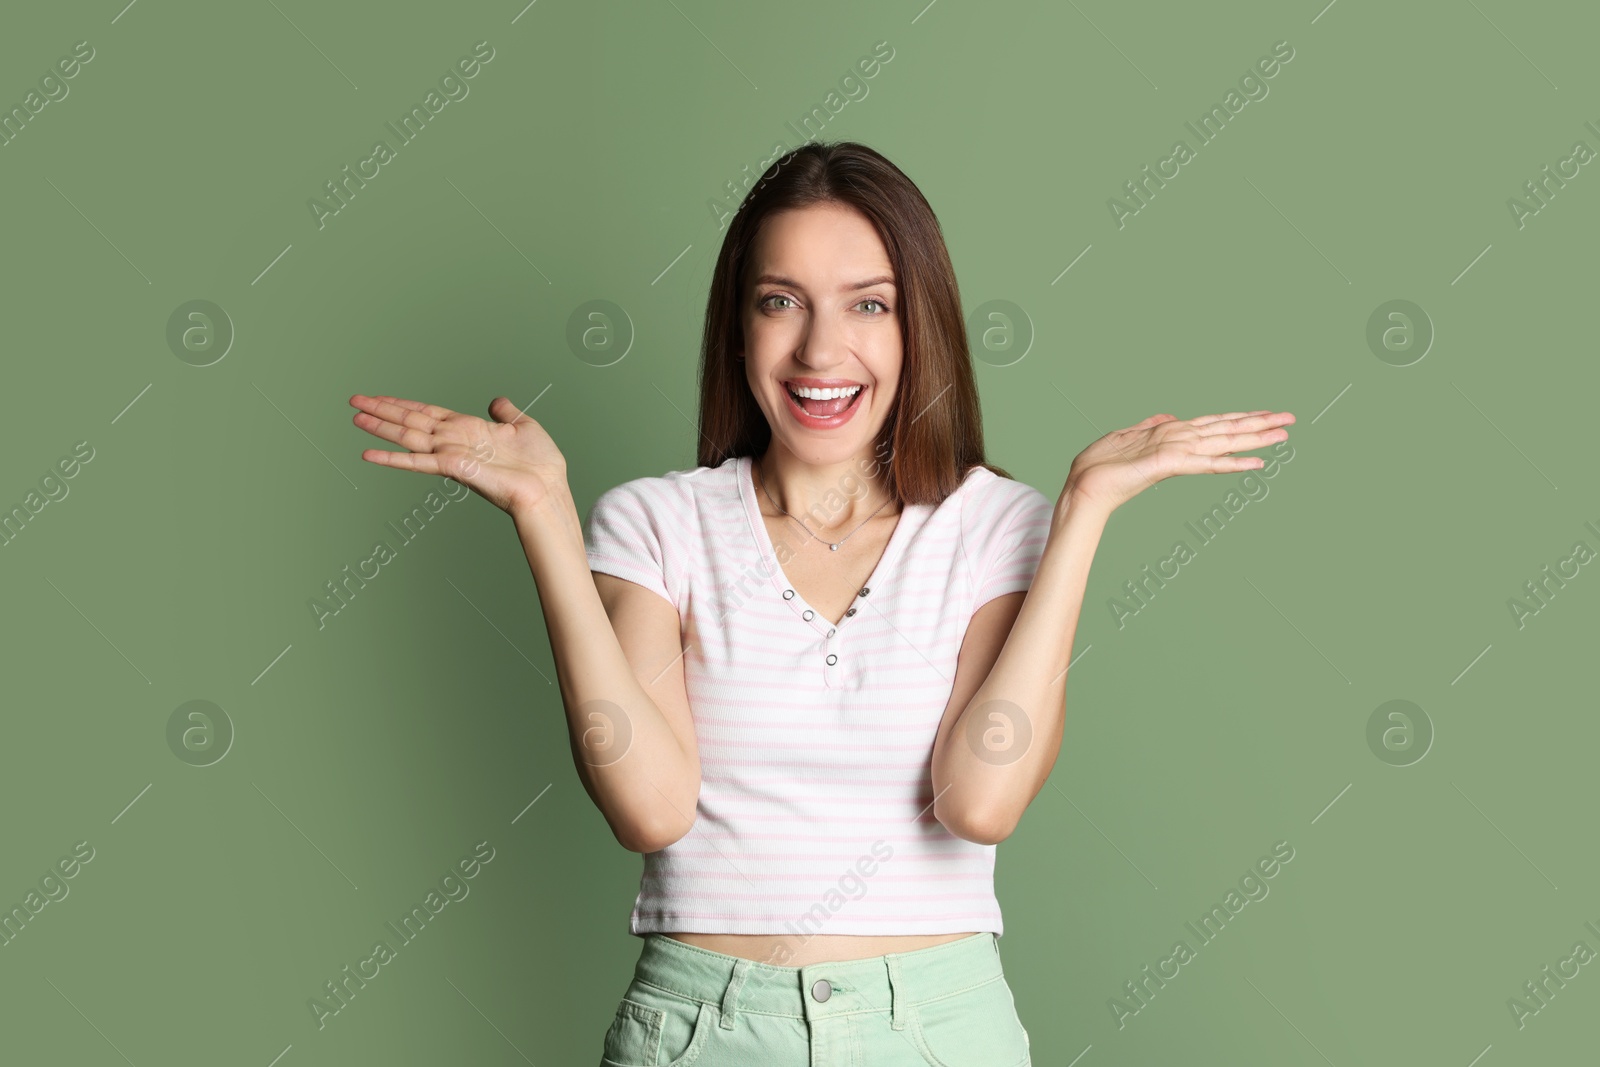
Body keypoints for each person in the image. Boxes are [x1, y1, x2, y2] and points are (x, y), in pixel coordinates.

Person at [348, 139, 1293, 1066]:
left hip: (937, 1028)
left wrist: (1082, 514)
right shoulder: (659, 521)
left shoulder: (995, 524)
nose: (820, 349)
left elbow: (982, 798)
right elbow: (649, 806)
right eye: (779, 302)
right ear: (739, 327)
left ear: (919, 323)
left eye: (868, 304)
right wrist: (546, 516)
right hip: (701, 1028)